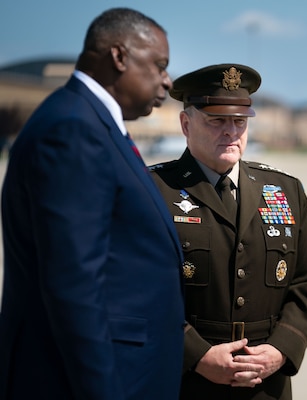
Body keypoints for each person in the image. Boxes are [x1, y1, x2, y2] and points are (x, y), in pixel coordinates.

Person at [0, 8, 185, 400]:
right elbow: (74, 285)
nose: (167, 81)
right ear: (119, 57)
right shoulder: (74, 129)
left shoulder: (91, 122)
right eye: (159, 65)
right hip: (92, 379)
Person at [149, 63, 307, 399]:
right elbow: (137, 288)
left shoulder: (285, 190)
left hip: (265, 384)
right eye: (217, 120)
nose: (231, 131)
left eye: (240, 121)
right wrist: (197, 355)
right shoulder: (153, 190)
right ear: (186, 124)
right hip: (183, 381)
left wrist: (280, 349)